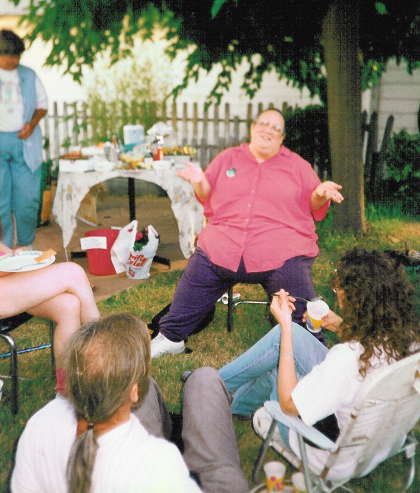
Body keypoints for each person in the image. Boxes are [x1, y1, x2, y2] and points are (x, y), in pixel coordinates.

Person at [151, 108, 344, 358]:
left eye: (276, 128)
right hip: (224, 246)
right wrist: (199, 181)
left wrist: (319, 194)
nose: (268, 130)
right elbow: (206, 194)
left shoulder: (297, 165)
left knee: (300, 313)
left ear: (282, 138)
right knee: (196, 274)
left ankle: (309, 347)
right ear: (253, 128)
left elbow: (313, 203)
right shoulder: (228, 158)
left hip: (280, 252)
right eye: (264, 123)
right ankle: (171, 337)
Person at [218, 248, 420, 480]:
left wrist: (285, 328)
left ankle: (218, 396)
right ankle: (216, 384)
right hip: (379, 445)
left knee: (279, 367)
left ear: (356, 299)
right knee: (291, 337)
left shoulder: (346, 358)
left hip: (328, 456)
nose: (337, 295)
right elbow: (369, 351)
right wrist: (339, 326)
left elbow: (288, 404)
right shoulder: (410, 340)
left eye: (339, 288)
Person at [11, 313, 249, 493]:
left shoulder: (40, 424)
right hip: (181, 476)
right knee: (204, 378)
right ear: (133, 392)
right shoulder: (158, 461)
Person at [0, 221, 100, 394]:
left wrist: (15, 256)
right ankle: (105, 351)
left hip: (8, 288)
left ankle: (65, 390)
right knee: (73, 273)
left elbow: (5, 256)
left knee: (69, 306)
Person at [0, 29, 48, 249]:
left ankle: (25, 245)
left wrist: (32, 123)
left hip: (25, 145)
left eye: (18, 55)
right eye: (10, 55)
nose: (15, 60)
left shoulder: (29, 75)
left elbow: (42, 105)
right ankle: (4, 250)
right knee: (1, 202)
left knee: (27, 200)